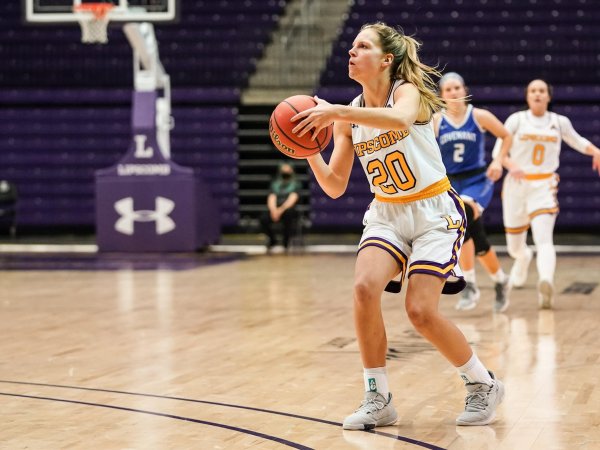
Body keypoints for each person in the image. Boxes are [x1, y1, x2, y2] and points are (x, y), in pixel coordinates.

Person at [291, 22, 504, 429]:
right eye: (351, 46)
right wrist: (308, 151)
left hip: (433, 213)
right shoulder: (347, 117)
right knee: (362, 288)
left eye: (362, 46)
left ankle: (482, 383)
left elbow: (401, 119)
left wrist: (335, 110)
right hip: (386, 213)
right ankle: (378, 395)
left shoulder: (407, 93)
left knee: (420, 311)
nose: (351, 52)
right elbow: (335, 186)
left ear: (386, 59)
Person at [493, 79, 600, 309]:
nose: (538, 94)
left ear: (549, 96)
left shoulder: (559, 122)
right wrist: (512, 166)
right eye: (533, 91)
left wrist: (595, 151)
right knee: (514, 247)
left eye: (542, 91)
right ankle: (523, 258)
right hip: (516, 186)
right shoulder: (516, 120)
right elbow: (498, 151)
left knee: (544, 239)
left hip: (544, 185)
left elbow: (577, 141)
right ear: (527, 96)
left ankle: (546, 283)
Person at [433, 72, 514, 313]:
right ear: (442, 95)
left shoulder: (479, 116)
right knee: (471, 233)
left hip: (478, 179)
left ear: (464, 90)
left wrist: (498, 160)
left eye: (457, 87)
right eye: (448, 89)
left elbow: (506, 136)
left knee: (464, 214)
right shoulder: (436, 121)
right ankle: (499, 279)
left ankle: (468, 283)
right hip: (450, 182)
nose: (454, 92)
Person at [260, 163, 300, 251]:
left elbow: (292, 198)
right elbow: (272, 197)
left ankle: (286, 242)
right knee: (264, 218)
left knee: (289, 215)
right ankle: (273, 240)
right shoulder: (275, 184)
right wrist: (274, 210)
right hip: (276, 208)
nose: (285, 173)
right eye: (283, 171)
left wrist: (281, 210)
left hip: (288, 209)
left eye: (287, 171)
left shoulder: (295, 184)